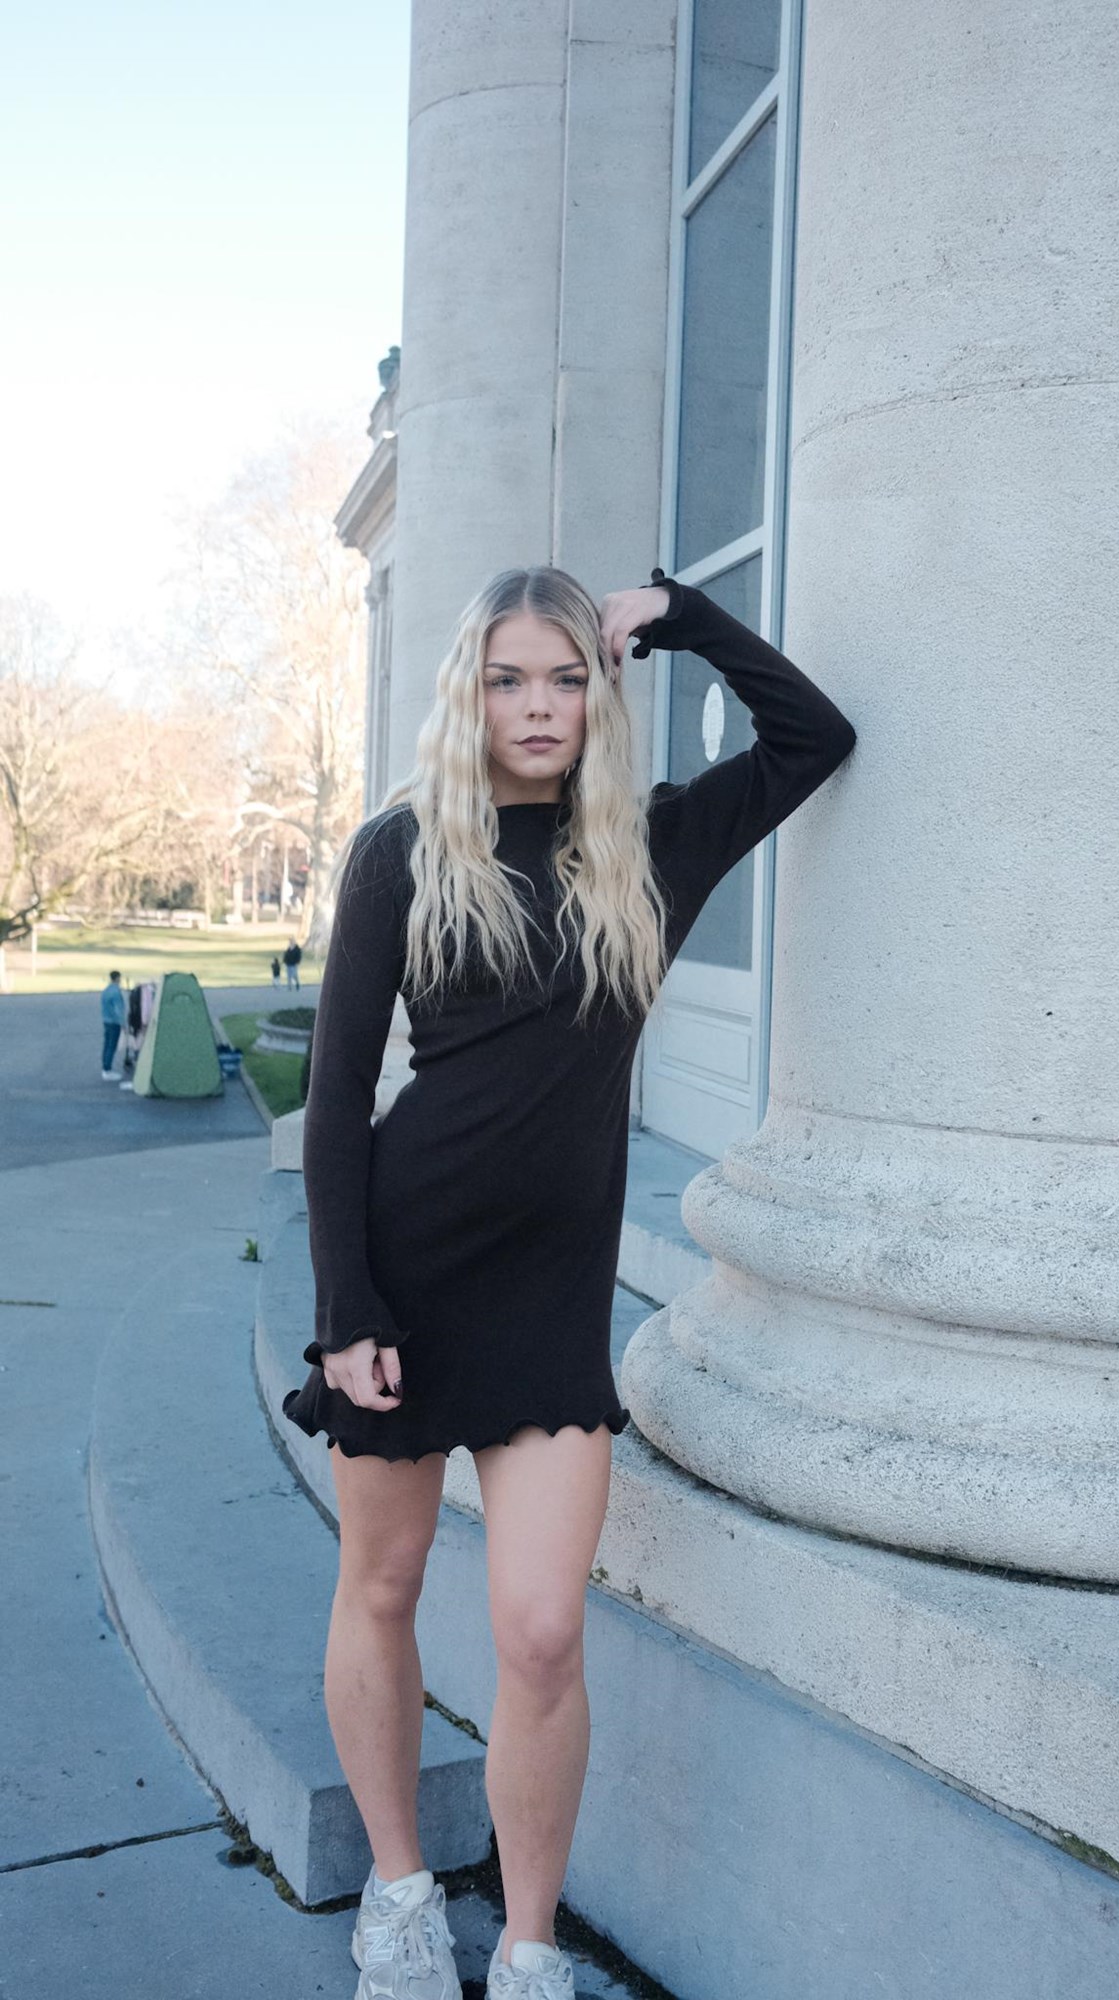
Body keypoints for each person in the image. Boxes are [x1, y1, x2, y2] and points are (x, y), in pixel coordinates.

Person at [281, 567, 856, 2000]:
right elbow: (339, 1099)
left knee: (541, 1630)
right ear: (468, 695)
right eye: (507, 679)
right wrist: (346, 1312)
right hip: (402, 1280)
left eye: (564, 677)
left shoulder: (651, 848)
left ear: (600, 691)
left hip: (547, 1305)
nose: (537, 706)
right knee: (383, 1582)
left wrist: (679, 613)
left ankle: (530, 1943)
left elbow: (812, 737)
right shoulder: (406, 850)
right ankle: (400, 1899)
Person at [99, 969, 127, 1080]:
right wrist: (123, 1023)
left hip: (106, 1021)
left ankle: (105, 1067)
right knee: (112, 1046)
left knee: (107, 1045)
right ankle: (107, 1070)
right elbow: (118, 1009)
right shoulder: (116, 992)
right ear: (118, 978)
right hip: (114, 1022)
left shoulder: (106, 991)